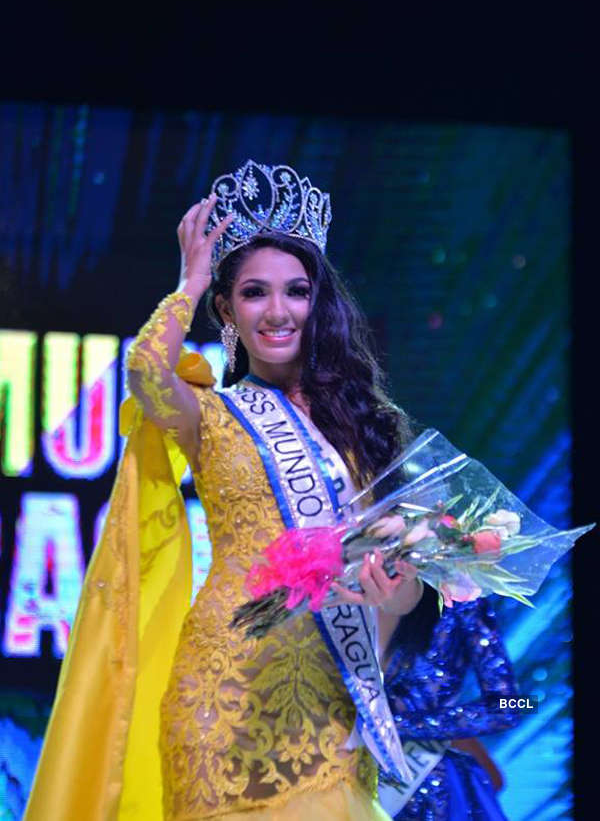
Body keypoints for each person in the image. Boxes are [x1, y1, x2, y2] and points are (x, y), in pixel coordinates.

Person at [24, 162, 426, 820]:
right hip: (223, 690)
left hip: (328, 697)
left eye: (296, 291)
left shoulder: (368, 427)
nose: (277, 312)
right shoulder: (210, 412)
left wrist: (397, 588)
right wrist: (188, 282)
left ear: (317, 302)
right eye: (253, 293)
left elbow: (402, 587)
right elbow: (147, 374)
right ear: (227, 309)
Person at [378, 582, 522, 820]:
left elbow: (514, 706)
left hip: (432, 792)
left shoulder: (461, 595)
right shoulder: (337, 591)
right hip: (339, 772)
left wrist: (397, 725)